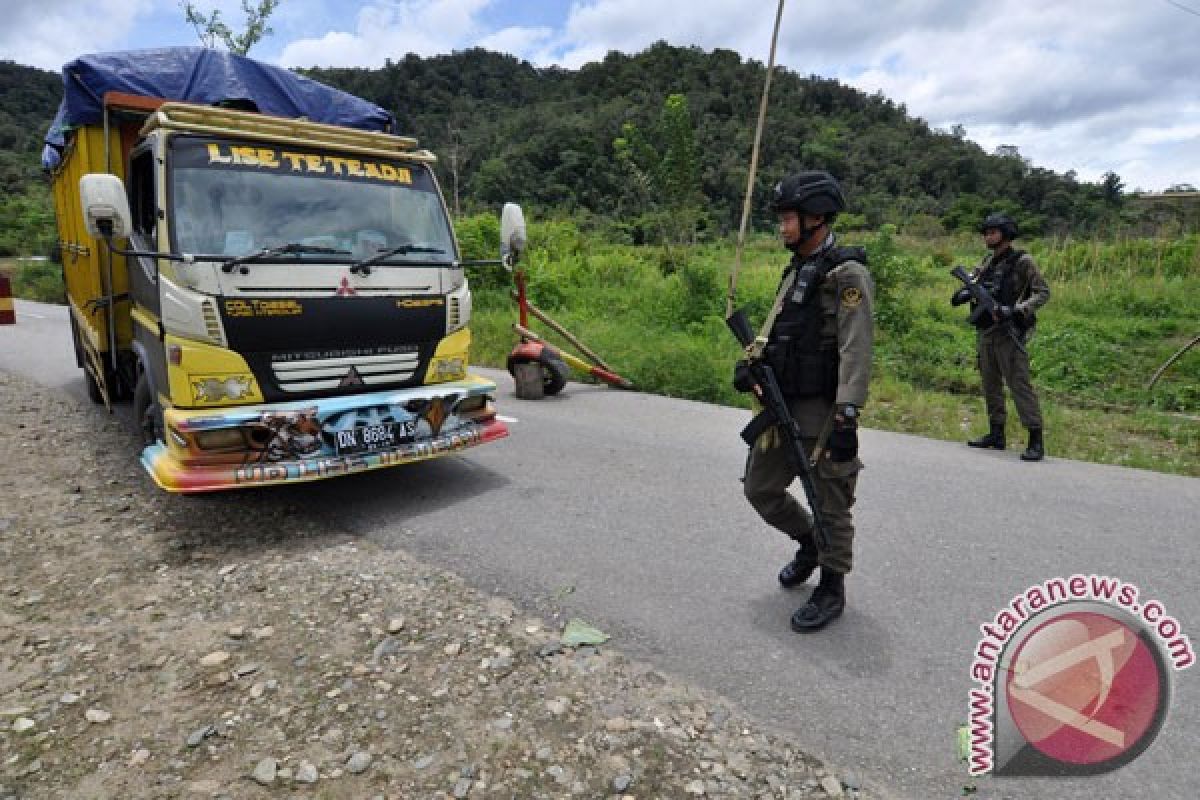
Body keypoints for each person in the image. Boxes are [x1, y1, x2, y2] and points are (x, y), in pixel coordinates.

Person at [735, 171, 874, 633]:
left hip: (823, 409)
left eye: (788, 218)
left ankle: (832, 585)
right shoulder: (797, 268)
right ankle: (810, 542)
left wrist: (847, 418)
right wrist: (752, 364)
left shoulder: (847, 274)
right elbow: (779, 330)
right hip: (782, 407)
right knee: (760, 489)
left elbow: (856, 350)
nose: (782, 227)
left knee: (831, 499)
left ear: (816, 218)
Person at [952, 212, 1050, 461]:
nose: (988, 236)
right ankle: (996, 433)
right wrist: (965, 293)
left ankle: (1035, 440)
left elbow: (1042, 293)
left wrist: (1017, 310)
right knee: (990, 384)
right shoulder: (987, 262)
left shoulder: (1022, 261)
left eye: (993, 232)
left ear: (1005, 234)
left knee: (1019, 385)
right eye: (986, 232)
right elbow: (975, 284)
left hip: (1009, 331)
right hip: (986, 331)